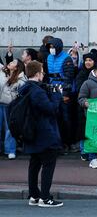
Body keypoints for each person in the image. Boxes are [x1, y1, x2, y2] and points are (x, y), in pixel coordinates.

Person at [20, 61, 64, 207]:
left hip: (30, 131)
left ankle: (34, 195)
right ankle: (45, 198)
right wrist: (57, 96)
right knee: (48, 164)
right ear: (37, 73)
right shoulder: (37, 91)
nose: (43, 74)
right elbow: (50, 109)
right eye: (42, 71)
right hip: (43, 132)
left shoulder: (24, 88)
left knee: (34, 164)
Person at [45, 38, 76, 152]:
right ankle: (58, 142)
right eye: (50, 47)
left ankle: (68, 142)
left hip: (63, 90)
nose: (51, 49)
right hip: (52, 89)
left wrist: (66, 94)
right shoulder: (48, 57)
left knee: (66, 118)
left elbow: (69, 77)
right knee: (55, 117)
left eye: (53, 46)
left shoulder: (66, 59)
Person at [0, 59, 28, 159]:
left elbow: (17, 95)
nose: (10, 63)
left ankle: (10, 150)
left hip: (11, 106)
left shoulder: (21, 79)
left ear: (16, 67)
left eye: (12, 63)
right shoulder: (3, 73)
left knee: (9, 129)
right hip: (0, 103)